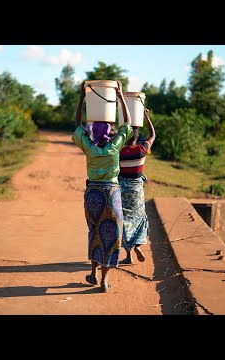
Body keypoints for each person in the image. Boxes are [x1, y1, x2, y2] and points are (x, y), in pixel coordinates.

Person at [72, 80, 133, 293]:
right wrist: (120, 96)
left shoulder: (89, 147)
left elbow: (76, 124)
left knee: (94, 231)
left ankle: (93, 273)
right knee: (112, 234)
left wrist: (82, 97)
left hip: (94, 194)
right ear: (109, 131)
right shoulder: (115, 146)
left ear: (94, 131)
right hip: (113, 193)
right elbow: (129, 122)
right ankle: (105, 280)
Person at [118, 108, 156, 264]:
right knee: (140, 218)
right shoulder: (141, 150)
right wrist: (147, 117)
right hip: (137, 190)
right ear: (137, 138)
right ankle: (138, 245)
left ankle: (128, 256)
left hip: (123, 190)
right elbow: (153, 135)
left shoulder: (118, 152)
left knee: (126, 221)